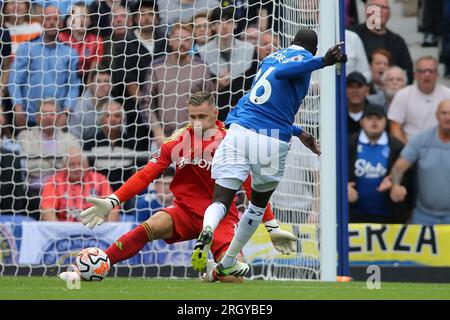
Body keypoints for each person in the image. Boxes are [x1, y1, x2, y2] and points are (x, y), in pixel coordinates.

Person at [63, 91, 297, 282]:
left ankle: (215, 273)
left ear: (215, 114)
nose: (196, 122)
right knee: (149, 226)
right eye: (192, 116)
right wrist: (112, 200)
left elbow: (251, 188)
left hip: (222, 219)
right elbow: (146, 175)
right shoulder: (176, 141)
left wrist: (271, 226)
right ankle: (97, 266)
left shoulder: (230, 142)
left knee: (233, 279)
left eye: (202, 117)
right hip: (184, 211)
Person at [191, 29, 346, 277]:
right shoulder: (303, 60)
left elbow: (264, 99)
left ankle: (208, 228)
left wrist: (298, 131)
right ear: (313, 50)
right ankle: (229, 260)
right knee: (257, 206)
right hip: (270, 139)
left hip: (240, 131)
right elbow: (285, 74)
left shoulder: (269, 59)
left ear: (291, 43)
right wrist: (323, 62)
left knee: (220, 200)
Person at [8, 5, 81, 128]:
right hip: (28, 117)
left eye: (55, 19)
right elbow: (14, 80)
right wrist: (18, 108)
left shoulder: (70, 53)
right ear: (42, 22)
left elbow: (73, 85)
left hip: (57, 119)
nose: (52, 22)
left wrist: (66, 112)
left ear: (62, 23)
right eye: (48, 19)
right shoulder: (27, 48)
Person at [389, 100, 450, 225]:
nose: (448, 117)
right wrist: (395, 184)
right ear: (436, 116)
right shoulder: (421, 138)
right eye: (444, 113)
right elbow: (399, 166)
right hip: (424, 215)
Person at [17, 99, 80, 219]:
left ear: (57, 117)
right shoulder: (25, 136)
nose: (48, 117)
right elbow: (30, 168)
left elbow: (75, 167)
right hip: (36, 191)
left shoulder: (71, 139)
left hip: (65, 190)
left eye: (52, 114)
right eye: (44, 113)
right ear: (37, 117)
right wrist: (59, 163)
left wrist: (43, 160)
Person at [347, 104, 410, 223]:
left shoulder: (397, 147)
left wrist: (396, 184)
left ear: (385, 122)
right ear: (361, 122)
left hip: (389, 217)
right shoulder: (346, 144)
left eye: (379, 118)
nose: (374, 121)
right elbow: (332, 172)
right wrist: (341, 188)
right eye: (369, 118)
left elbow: (408, 178)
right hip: (353, 216)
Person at [40, 146, 120, 222]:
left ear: (87, 165)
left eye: (80, 164)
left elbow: (113, 208)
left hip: (95, 228)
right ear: (64, 166)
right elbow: (47, 211)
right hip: (64, 230)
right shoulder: (54, 181)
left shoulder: (99, 180)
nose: (76, 168)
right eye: (72, 165)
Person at [388, 56, 450, 144]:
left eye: (431, 71)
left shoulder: (448, 95)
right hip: (410, 147)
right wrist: (409, 150)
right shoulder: (403, 95)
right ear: (415, 75)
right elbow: (395, 128)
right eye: (422, 71)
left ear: (437, 75)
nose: (427, 74)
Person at [349, 0, 413, 84]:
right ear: (367, 10)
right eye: (376, 7)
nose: (379, 11)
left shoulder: (397, 42)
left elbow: (408, 74)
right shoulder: (352, 35)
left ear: (389, 13)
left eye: (384, 7)